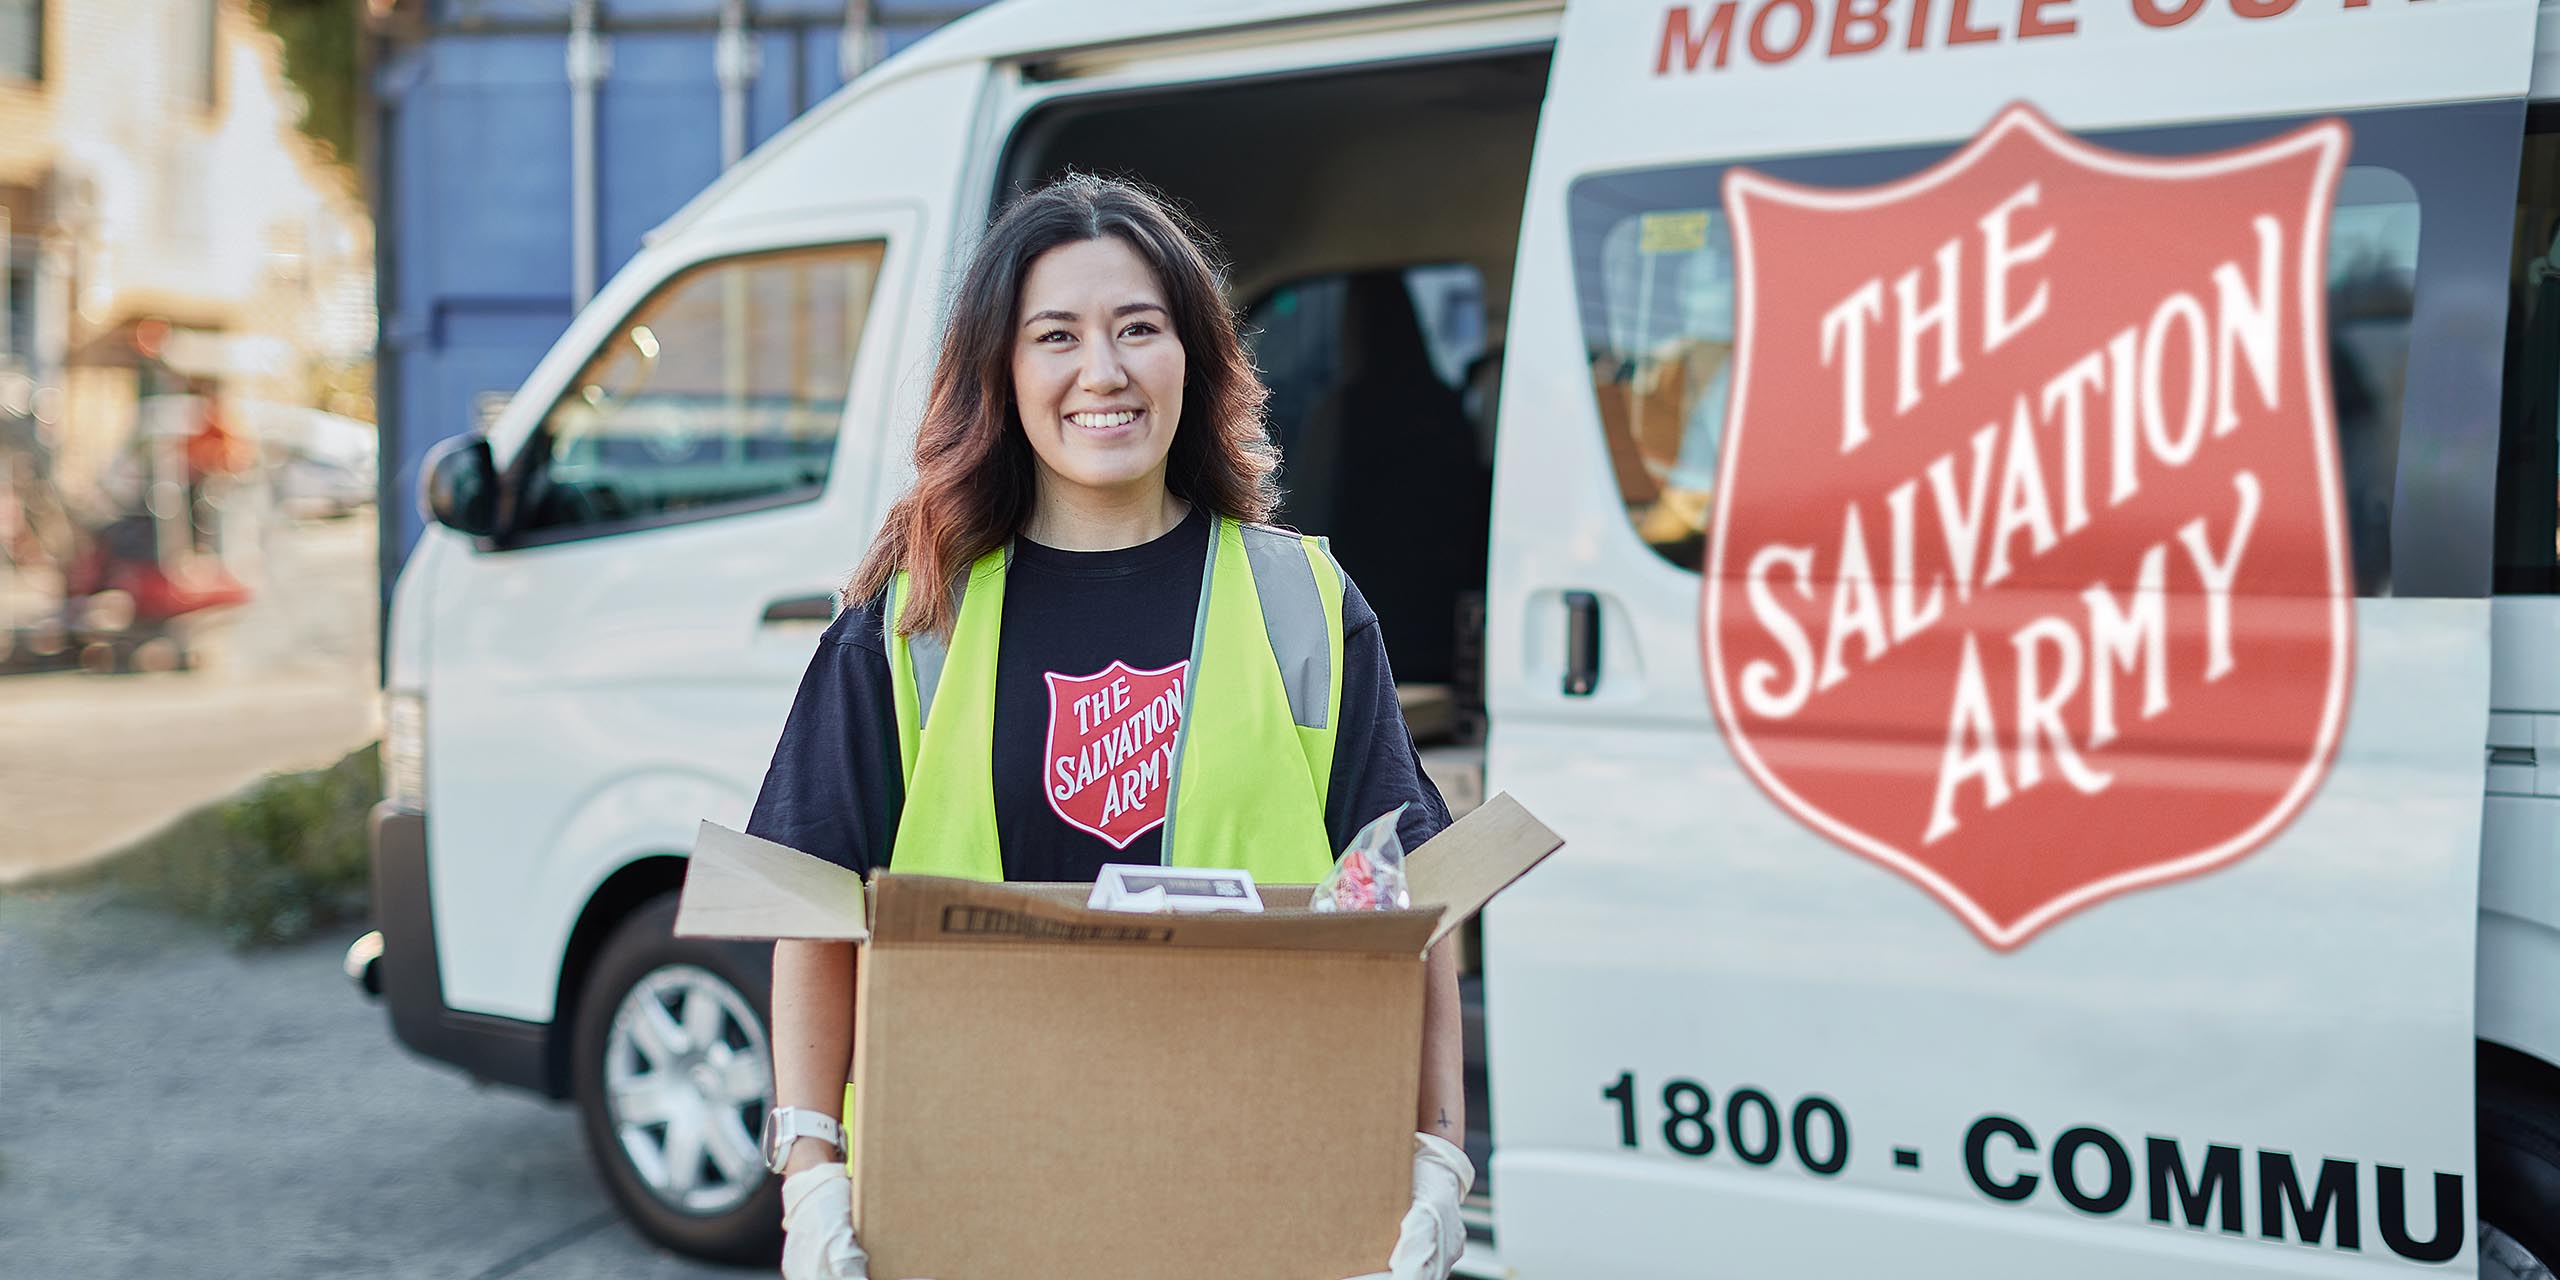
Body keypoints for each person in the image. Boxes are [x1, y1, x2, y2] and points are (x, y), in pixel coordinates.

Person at [748, 173, 1469, 1280]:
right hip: (970, 1195)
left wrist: (1437, 1149)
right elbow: (812, 899)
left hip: (1256, 1188)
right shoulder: (911, 617)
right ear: (1001, 367)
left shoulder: (1301, 602)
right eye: (1056, 335)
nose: (1104, 370)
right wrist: (809, 1166)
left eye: (1140, 327)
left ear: (1195, 355)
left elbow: (1411, 889)